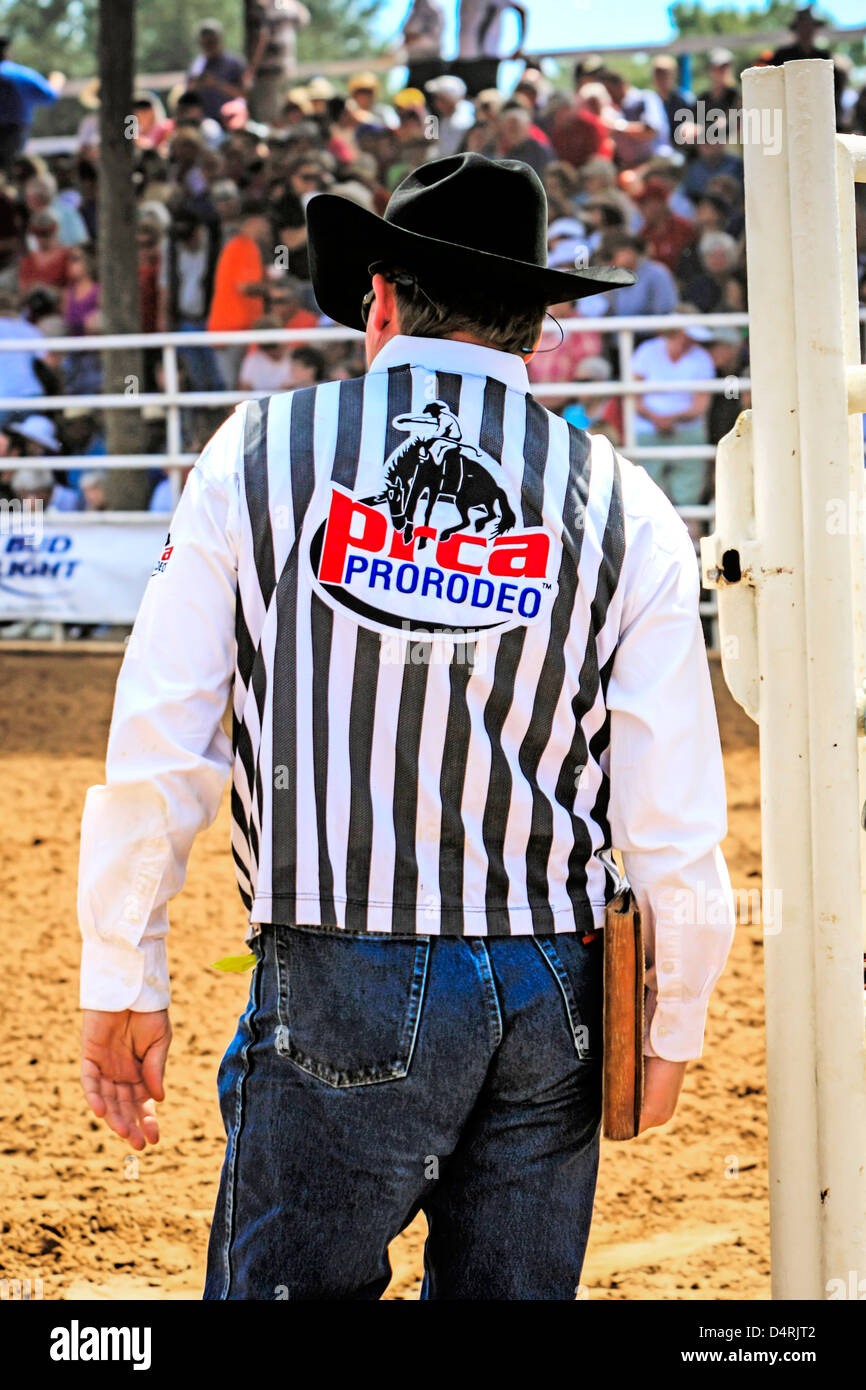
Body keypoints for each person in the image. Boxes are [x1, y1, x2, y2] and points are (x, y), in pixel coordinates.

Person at [77, 151, 735, 1301]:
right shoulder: (624, 501)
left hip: (339, 963)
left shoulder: (257, 451)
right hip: (551, 980)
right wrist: (670, 1012)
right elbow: (668, 804)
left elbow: (165, 737)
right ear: (534, 326)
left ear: (378, 296)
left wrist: (121, 961)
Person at [630, 316, 714, 517]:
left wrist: (668, 419)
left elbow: (700, 405)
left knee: (688, 490)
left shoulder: (702, 358)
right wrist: (656, 418)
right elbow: (634, 397)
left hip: (684, 428)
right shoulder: (647, 351)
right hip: (650, 427)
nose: (689, 341)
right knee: (648, 489)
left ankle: (690, 531)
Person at [0, 35, 64, 173]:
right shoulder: (20, 75)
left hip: (12, 132)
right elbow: (49, 95)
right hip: (14, 134)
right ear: (7, 52)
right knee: (12, 171)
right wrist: (57, 80)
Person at [186, 19, 246, 125]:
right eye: (205, 43)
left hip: (231, 121)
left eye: (212, 42)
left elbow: (244, 95)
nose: (209, 46)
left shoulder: (234, 63)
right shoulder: (197, 65)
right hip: (203, 122)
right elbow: (188, 95)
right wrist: (195, 85)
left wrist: (216, 84)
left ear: (219, 40)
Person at [401, 0, 446, 91]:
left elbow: (434, 39)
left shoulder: (433, 8)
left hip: (429, 63)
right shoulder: (414, 8)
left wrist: (413, 39)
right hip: (414, 64)